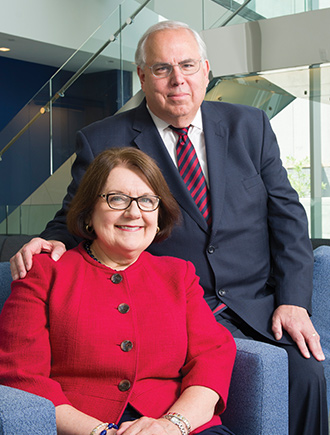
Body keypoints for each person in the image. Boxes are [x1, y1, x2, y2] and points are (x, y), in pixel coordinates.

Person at [9, 20, 328, 435]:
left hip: (255, 302)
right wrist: (47, 245)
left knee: (309, 373)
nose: (178, 79)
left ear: (206, 70)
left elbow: (287, 216)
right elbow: (78, 213)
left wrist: (293, 301)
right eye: (162, 69)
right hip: (174, 306)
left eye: (188, 65)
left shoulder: (250, 125)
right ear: (142, 76)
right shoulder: (103, 137)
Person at [0, 147, 237, 435]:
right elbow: (22, 376)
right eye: (117, 199)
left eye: (147, 200)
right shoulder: (44, 272)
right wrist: (103, 432)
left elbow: (212, 358)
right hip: (81, 427)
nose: (134, 212)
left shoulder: (179, 274)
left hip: (178, 424)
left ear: (159, 214)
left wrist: (171, 426)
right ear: (88, 211)